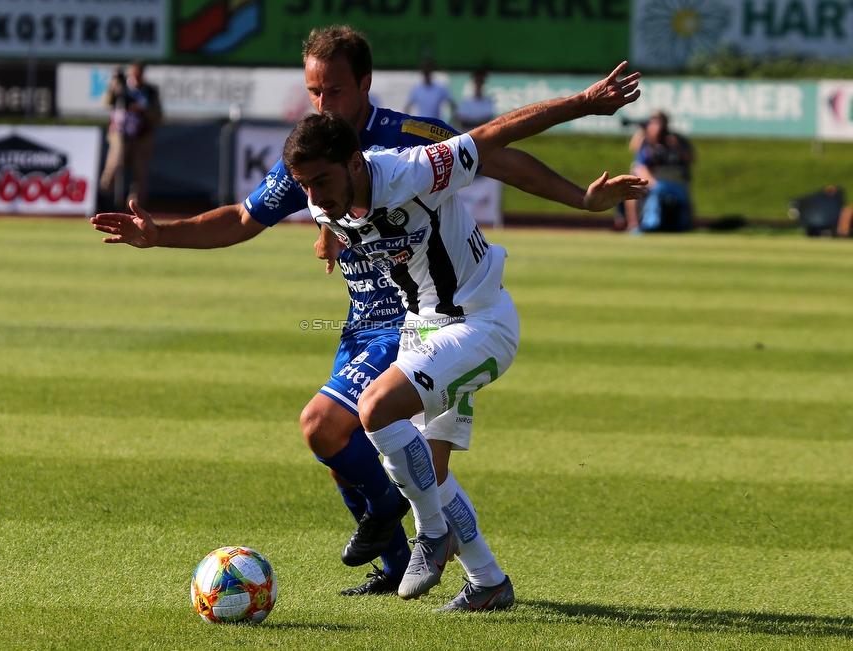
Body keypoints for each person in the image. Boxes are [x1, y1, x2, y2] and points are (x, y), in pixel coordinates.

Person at [90, 26, 646, 605]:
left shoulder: (407, 152)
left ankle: (415, 531)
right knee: (421, 467)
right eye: (313, 92)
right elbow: (243, 218)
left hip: (457, 319)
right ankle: (483, 579)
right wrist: (166, 235)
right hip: (416, 321)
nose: (323, 103)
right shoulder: (310, 163)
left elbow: (494, 148)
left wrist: (582, 175)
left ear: (364, 85)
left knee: (352, 424)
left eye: (333, 90)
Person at [283, 104, 645, 610]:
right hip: (423, 327)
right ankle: (489, 583)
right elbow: (332, 218)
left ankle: (431, 534)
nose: (315, 197)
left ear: (356, 163)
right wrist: (328, 238)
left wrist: (587, 108)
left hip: (481, 323)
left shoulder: (416, 170)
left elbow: (497, 134)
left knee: (375, 410)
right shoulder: (326, 203)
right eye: (306, 186)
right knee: (431, 469)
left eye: (322, 181)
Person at [99, 61, 163, 209]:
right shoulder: (121, 88)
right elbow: (107, 102)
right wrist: (114, 84)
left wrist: (142, 111)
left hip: (142, 137)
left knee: (140, 175)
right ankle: (104, 201)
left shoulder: (150, 91)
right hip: (120, 136)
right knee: (113, 168)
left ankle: (135, 208)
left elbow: (158, 115)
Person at [624, 110, 694, 232]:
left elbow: (691, 159)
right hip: (653, 180)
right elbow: (641, 165)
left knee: (685, 196)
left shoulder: (677, 140)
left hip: (675, 181)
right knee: (633, 190)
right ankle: (634, 225)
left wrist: (678, 147)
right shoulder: (646, 142)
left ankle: (687, 225)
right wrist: (654, 183)